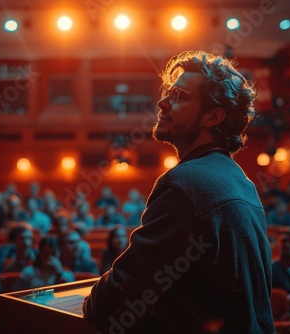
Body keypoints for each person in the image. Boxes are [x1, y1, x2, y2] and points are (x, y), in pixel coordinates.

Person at [83, 50, 274, 333]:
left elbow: (121, 294)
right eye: (168, 93)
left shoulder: (183, 183)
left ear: (213, 116)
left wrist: (90, 303)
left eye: (180, 96)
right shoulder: (242, 182)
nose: (162, 102)